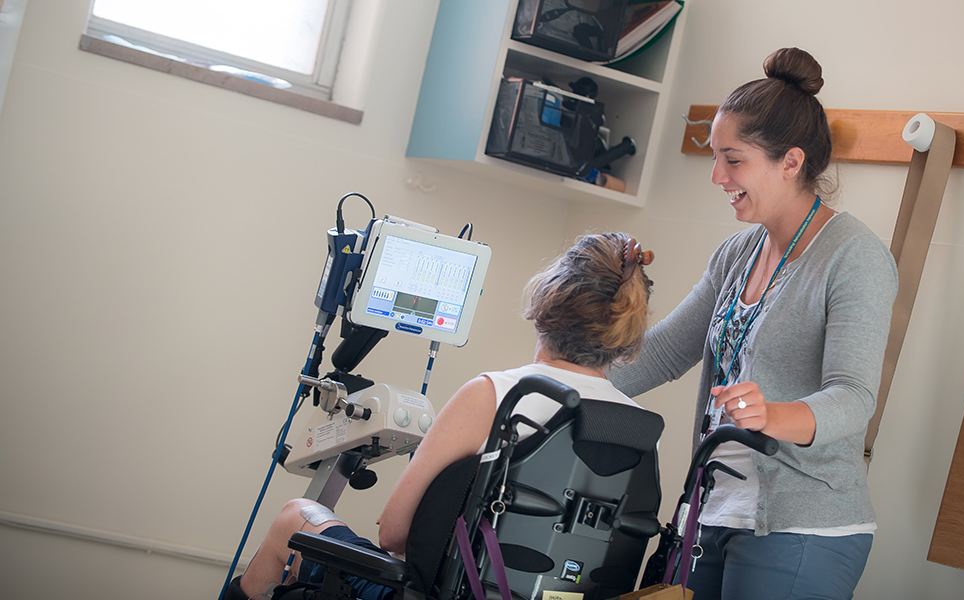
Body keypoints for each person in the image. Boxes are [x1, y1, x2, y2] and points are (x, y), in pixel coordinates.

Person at [608, 48, 898, 600]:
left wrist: (775, 415)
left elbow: (854, 396)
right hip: (712, 513)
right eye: (714, 157)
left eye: (732, 159)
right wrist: (565, 372)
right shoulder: (738, 251)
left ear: (790, 162)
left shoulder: (853, 256)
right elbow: (665, 352)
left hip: (803, 524)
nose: (717, 176)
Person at [228, 232, 655, 600]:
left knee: (294, 517)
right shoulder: (638, 429)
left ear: (549, 299)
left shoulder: (495, 394)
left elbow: (393, 535)